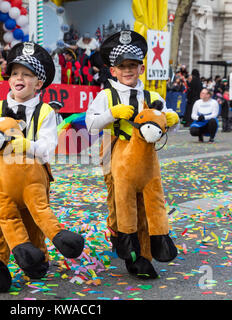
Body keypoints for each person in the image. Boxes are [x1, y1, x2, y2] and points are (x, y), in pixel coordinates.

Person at [85, 30, 180, 279]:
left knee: (147, 206)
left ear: (141, 68)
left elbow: (169, 122)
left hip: (145, 157)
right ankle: (123, 240)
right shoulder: (105, 95)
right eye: (122, 66)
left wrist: (170, 120)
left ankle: (143, 257)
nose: (128, 70)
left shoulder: (153, 96)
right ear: (113, 70)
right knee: (119, 204)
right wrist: (112, 114)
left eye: (133, 65)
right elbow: (91, 124)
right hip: (115, 151)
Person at [0, 41, 61, 291]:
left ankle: (36, 259)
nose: (19, 78)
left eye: (27, 74)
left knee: (34, 217)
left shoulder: (46, 111)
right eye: (15, 73)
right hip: (4, 176)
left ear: (39, 83)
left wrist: (25, 144)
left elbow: (47, 148)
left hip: (34, 177)